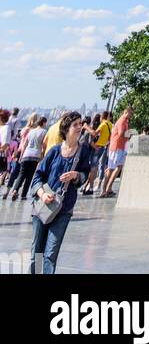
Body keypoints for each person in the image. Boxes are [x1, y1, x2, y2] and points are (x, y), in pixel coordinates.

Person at [30, 111, 92, 275]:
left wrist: (76, 175)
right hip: (43, 207)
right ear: (66, 129)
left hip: (63, 209)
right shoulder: (54, 151)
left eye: (80, 124)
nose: (79, 127)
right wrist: (43, 194)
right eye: (75, 125)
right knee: (36, 252)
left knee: (50, 253)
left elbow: (85, 175)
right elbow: (37, 177)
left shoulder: (83, 151)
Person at [5, 115, 45, 201]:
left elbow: (25, 145)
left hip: (26, 155)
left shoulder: (31, 131)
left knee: (21, 174)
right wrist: (42, 157)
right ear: (44, 123)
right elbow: (43, 145)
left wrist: (21, 156)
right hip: (35, 156)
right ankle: (23, 195)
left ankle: (15, 190)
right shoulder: (44, 132)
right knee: (29, 176)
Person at [101, 107, 131, 197]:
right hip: (116, 147)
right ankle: (104, 189)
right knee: (111, 169)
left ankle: (109, 188)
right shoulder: (122, 121)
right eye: (129, 113)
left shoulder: (125, 121)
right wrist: (131, 134)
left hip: (121, 147)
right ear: (125, 112)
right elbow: (121, 133)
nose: (130, 115)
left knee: (118, 167)